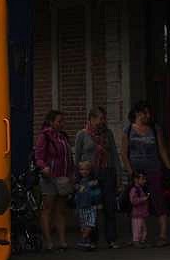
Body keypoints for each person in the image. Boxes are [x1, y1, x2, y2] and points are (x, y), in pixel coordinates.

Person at [119, 100, 170, 246]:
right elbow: (124, 153)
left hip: (153, 169)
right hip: (136, 171)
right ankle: (137, 236)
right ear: (137, 113)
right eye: (145, 112)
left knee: (158, 200)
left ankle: (162, 235)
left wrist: (169, 169)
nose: (148, 115)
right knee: (135, 202)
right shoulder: (128, 130)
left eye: (149, 113)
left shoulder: (155, 129)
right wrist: (131, 172)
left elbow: (162, 150)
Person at [74, 107, 121, 248]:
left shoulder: (108, 134)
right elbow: (77, 157)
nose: (102, 121)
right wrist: (77, 178)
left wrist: (118, 175)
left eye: (104, 118)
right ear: (92, 119)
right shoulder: (82, 135)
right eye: (100, 118)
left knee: (109, 206)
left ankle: (111, 239)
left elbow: (114, 154)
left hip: (107, 171)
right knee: (91, 208)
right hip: (90, 173)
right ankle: (92, 239)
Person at [34, 110, 74, 251]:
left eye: (63, 121)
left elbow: (69, 157)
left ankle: (62, 241)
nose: (62, 124)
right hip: (49, 177)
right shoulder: (44, 136)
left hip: (63, 177)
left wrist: (71, 173)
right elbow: (38, 156)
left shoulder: (63, 137)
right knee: (48, 208)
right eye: (59, 121)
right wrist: (44, 167)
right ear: (51, 122)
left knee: (61, 210)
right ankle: (48, 241)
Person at [73, 161, 102, 251]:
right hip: (82, 207)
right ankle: (86, 242)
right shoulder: (78, 184)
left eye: (86, 169)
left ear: (90, 170)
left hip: (91, 206)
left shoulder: (94, 182)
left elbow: (97, 194)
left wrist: (98, 203)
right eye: (82, 169)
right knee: (84, 225)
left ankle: (83, 239)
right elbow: (77, 197)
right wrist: (77, 207)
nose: (84, 171)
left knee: (90, 224)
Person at [129, 171, 151, 247]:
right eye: (143, 179)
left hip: (141, 214)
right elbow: (133, 201)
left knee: (143, 229)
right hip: (137, 214)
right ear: (136, 179)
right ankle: (136, 241)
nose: (144, 181)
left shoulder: (140, 189)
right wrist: (143, 199)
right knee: (137, 229)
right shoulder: (134, 189)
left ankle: (141, 241)